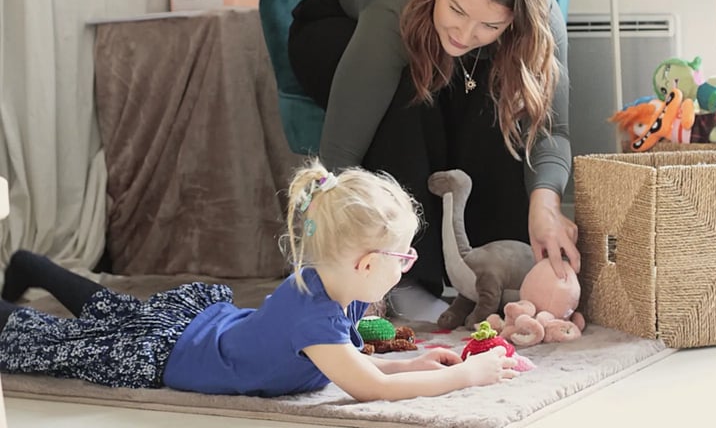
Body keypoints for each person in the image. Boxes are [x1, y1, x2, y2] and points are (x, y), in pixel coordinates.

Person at [0, 160, 518, 400]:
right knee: (48, 339)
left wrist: (414, 361)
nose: (407, 265)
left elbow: (354, 362)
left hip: (201, 326)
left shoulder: (335, 284)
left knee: (112, 309)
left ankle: (29, 264)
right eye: (402, 258)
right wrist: (465, 376)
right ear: (365, 264)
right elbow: (370, 387)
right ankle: (20, 287)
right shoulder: (316, 315)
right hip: (166, 355)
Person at [288, 0, 580, 312]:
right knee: (408, 93)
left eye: (490, 25)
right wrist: (335, 249)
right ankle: (406, 280)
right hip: (333, 26)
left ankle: (489, 273)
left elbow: (551, 130)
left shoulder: (539, 21)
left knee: (504, 100)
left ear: (513, 21)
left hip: (434, 35)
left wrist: (545, 206)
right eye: (457, 10)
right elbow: (342, 145)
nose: (465, 33)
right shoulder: (399, 2)